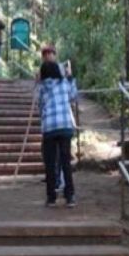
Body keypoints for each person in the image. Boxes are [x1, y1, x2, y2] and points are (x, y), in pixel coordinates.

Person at [38, 59, 77, 208]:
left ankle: (51, 197)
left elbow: (40, 106)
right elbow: (73, 97)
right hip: (65, 125)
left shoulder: (42, 87)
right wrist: (71, 78)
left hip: (49, 127)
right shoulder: (64, 83)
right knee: (65, 162)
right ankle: (70, 195)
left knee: (50, 163)